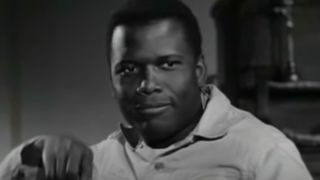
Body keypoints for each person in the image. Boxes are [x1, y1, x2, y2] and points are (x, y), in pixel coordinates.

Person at [0, 0, 313, 179]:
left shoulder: (264, 152)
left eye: (167, 64)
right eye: (128, 69)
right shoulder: (98, 162)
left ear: (199, 71)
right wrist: (36, 151)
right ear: (112, 81)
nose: (147, 85)